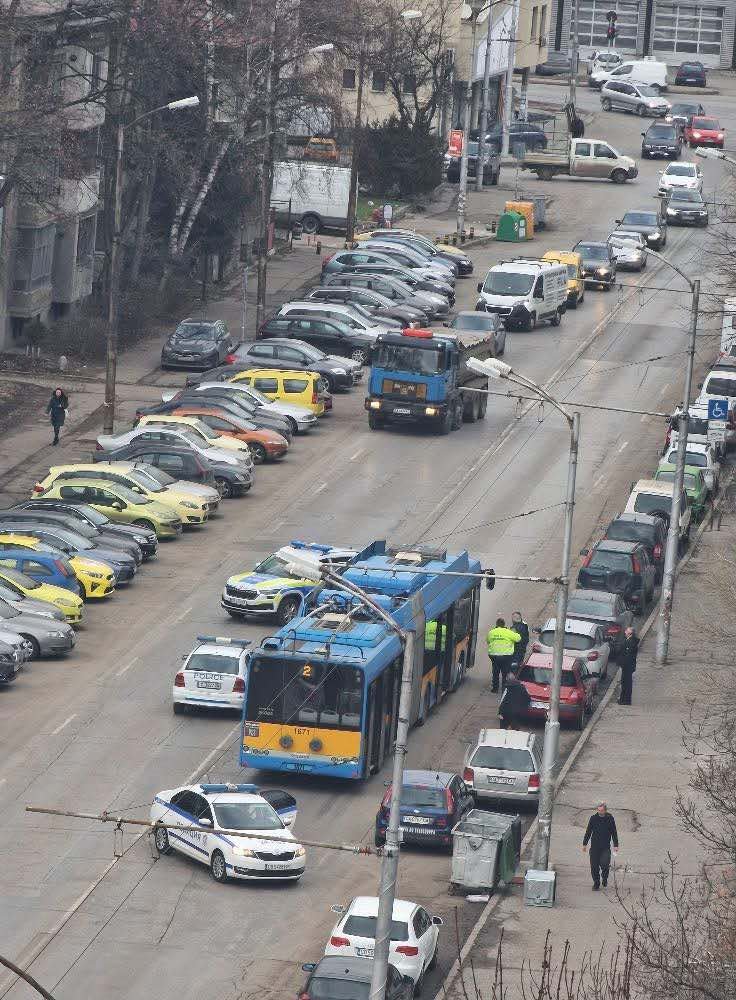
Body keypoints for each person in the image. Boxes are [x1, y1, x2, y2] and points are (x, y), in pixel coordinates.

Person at [582, 801, 619, 890]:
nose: (600, 812)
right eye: (598, 810)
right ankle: (596, 883)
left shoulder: (610, 818)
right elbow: (588, 831)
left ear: (605, 810)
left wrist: (616, 844)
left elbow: (614, 831)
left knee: (605, 864)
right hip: (595, 847)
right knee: (594, 866)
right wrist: (584, 844)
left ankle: (605, 878)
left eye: (601, 811)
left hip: (605, 847)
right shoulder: (593, 818)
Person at [487, 617, 521, 693]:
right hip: (506, 656)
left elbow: (488, 641)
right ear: (504, 624)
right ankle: (504, 689)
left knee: (495, 672)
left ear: (496, 624)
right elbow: (518, 638)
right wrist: (514, 632)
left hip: (494, 656)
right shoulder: (508, 632)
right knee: (505, 673)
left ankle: (495, 689)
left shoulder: (491, 632)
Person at [619, 626, 639, 705]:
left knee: (626, 683)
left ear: (630, 633)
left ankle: (625, 700)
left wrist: (623, 663)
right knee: (625, 683)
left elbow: (627, 655)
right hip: (628, 665)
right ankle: (623, 699)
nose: (625, 632)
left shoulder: (630, 642)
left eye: (626, 631)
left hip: (627, 666)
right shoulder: (629, 641)